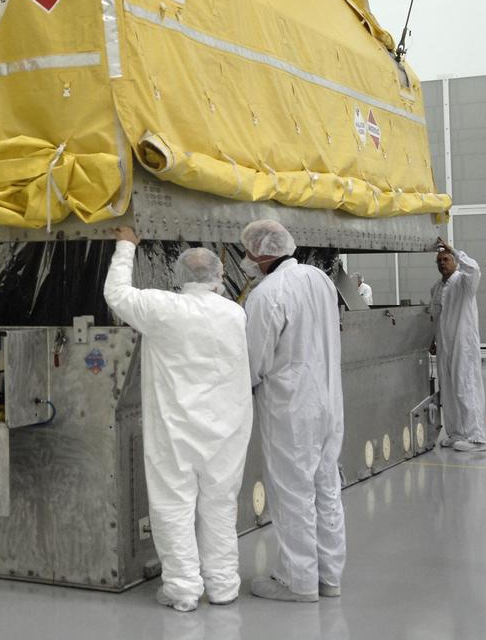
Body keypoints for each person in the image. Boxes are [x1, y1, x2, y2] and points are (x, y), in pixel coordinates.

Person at [103, 226, 252, 612]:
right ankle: (222, 586)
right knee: (219, 506)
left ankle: (184, 589)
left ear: (178, 276)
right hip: (227, 429)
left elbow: (116, 294)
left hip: (176, 430)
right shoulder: (235, 313)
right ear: (219, 275)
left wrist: (126, 245)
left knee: (173, 505)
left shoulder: (163, 309)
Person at [241, 219, 345, 603]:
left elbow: (254, 361)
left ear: (262, 252)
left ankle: (297, 581)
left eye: (248, 251)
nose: (246, 259)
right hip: (327, 400)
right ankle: (329, 578)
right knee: (326, 488)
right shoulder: (319, 279)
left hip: (290, 408)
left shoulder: (267, 295)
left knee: (293, 492)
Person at [430, 236, 486, 452]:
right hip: (444, 346)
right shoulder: (436, 288)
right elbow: (435, 317)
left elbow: (475, 269)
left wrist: (454, 250)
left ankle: (476, 437)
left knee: (466, 386)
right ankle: (456, 433)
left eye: (446, 259)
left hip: (463, 345)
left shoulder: (464, 282)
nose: (442, 263)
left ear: (454, 261)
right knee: (449, 390)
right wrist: (433, 340)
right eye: (439, 261)